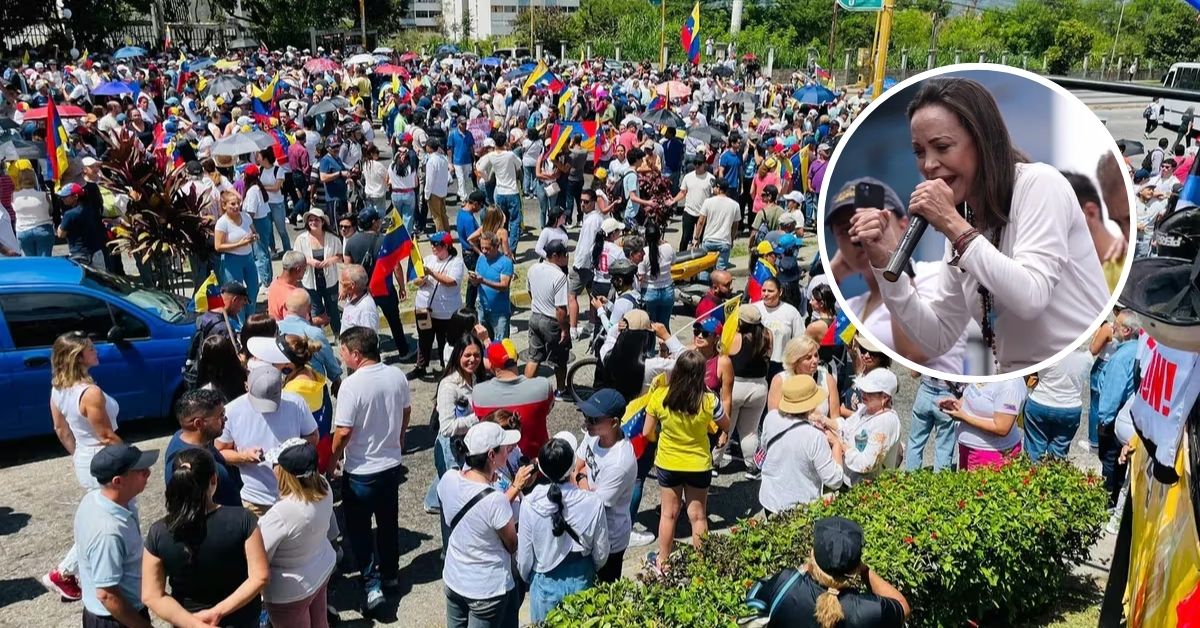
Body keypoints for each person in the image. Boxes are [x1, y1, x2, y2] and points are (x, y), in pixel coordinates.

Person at [849, 77, 1109, 372]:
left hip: (1083, 370)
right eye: (920, 152)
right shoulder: (961, 226)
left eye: (942, 147)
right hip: (1022, 381)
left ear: (982, 142)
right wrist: (886, 266)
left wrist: (951, 223)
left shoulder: (1039, 185)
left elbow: (1032, 296)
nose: (929, 165)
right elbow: (937, 337)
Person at [824, 178, 966, 374]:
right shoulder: (853, 305)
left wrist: (894, 256)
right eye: (845, 230)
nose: (859, 234)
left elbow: (914, 353)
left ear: (904, 225)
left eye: (875, 220)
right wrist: (834, 272)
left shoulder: (935, 275)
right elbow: (828, 351)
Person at [332, 326, 411, 610]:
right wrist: (400, 437)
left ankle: (371, 584)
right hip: (390, 467)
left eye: (342, 351)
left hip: (360, 472)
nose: (341, 356)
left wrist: (332, 459)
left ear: (355, 354)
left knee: (361, 532)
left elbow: (342, 432)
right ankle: (390, 575)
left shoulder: (351, 386)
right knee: (388, 525)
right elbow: (406, 409)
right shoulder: (396, 375)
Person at [142, 448, 268, 628]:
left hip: (187, 619)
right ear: (214, 480)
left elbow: (151, 595)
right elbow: (260, 576)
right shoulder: (243, 519)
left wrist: (194, 624)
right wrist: (217, 612)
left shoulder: (159, 532)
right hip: (241, 618)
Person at [44, 331, 123, 602]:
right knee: (116, 516)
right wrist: (131, 458)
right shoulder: (90, 393)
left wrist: (79, 455)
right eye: (91, 348)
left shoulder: (58, 389)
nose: (96, 350)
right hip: (104, 458)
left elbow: (60, 428)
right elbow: (107, 435)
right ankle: (65, 571)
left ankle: (73, 572)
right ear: (79, 357)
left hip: (85, 457)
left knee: (102, 517)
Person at [643, 350, 731, 573]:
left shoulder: (660, 397)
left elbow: (646, 432)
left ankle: (663, 561)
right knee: (698, 515)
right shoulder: (709, 401)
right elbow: (726, 424)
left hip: (668, 462)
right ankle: (703, 565)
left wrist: (659, 437)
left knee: (668, 514)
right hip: (699, 463)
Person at [745, 517, 909, 627]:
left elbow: (755, 597)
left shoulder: (786, 582)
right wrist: (865, 570)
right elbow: (903, 607)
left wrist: (803, 568)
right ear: (855, 567)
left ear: (812, 554)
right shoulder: (868, 609)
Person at [438, 422, 524, 628]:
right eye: (504, 448)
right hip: (486, 590)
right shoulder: (495, 500)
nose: (508, 451)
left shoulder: (448, 479)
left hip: (454, 578)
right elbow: (512, 545)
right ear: (491, 456)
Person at [518, 434, 610, 622]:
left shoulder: (529, 503)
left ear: (541, 469)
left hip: (545, 584)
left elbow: (525, 559)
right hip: (582, 579)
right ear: (572, 466)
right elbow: (601, 553)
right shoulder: (593, 502)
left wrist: (531, 577)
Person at [216, 366, 318, 517]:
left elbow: (312, 437)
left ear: (282, 386)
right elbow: (219, 452)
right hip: (256, 500)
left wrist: (290, 457)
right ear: (246, 386)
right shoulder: (231, 411)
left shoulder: (296, 403)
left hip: (295, 494)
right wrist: (244, 457)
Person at [74, 444, 157, 628]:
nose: (148, 472)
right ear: (118, 481)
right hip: (117, 618)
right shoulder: (108, 532)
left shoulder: (93, 499)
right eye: (140, 471)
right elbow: (107, 595)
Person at [258, 439, 338, 628]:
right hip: (321, 569)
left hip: (291, 592)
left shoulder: (280, 514)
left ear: (287, 474)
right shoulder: (324, 487)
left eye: (276, 466)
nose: (273, 470)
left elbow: (259, 555)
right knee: (320, 623)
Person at [574, 389, 638, 583]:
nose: (587, 423)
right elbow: (576, 466)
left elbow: (596, 505)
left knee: (605, 594)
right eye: (586, 416)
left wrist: (579, 479)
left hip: (609, 540)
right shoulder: (592, 434)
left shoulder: (620, 462)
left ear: (614, 422)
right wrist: (581, 479)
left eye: (593, 419)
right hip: (587, 531)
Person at [758, 375, 844, 516]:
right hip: (800, 507)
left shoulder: (771, 418)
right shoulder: (815, 436)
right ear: (812, 404)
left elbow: (765, 446)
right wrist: (837, 445)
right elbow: (834, 480)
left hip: (770, 499)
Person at [425, 334, 488, 517]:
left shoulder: (476, 377)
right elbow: (447, 428)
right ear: (458, 355)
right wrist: (478, 418)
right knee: (453, 485)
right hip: (450, 446)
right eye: (467, 355)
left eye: (476, 355)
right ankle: (434, 503)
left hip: (468, 443)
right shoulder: (448, 385)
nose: (472, 360)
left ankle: (432, 501)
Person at [473, 340, 556, 459]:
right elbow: (548, 409)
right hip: (538, 463)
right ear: (517, 358)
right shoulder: (543, 386)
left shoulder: (478, 393)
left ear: (490, 366)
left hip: (498, 468)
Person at [1094, 310, 1141, 509]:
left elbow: (1112, 394)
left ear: (1127, 330)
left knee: (1110, 462)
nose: (1112, 327)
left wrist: (1103, 421)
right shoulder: (1138, 349)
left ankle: (1106, 503)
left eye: (1117, 324)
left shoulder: (1119, 358)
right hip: (1131, 416)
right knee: (1122, 465)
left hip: (1115, 418)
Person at [717, 307, 772, 479]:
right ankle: (752, 466)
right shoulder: (767, 336)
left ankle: (714, 462)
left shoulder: (734, 337)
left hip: (736, 385)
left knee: (726, 426)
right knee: (750, 431)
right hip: (759, 386)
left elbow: (721, 352)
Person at [164, 388, 243, 507]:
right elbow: (187, 510)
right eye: (220, 415)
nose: (225, 419)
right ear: (199, 423)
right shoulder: (186, 462)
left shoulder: (191, 436)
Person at [826, 368, 901, 484]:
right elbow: (846, 427)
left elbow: (866, 464)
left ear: (885, 398)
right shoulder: (865, 408)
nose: (863, 393)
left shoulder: (886, 422)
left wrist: (842, 446)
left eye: (870, 392)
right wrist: (823, 420)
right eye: (863, 389)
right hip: (850, 481)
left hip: (869, 490)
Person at [940, 375, 1027, 471]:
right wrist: (957, 405)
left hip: (991, 454)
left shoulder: (1011, 384)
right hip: (969, 449)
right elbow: (974, 395)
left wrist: (964, 417)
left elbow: (1002, 428)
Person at [1023, 344, 1093, 462]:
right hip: (1069, 408)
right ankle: (1054, 476)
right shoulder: (1086, 358)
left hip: (1040, 402)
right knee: (1058, 455)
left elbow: (1027, 371)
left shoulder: (1045, 353)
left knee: (1033, 452)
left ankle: (1031, 475)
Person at [411, 230, 465, 379]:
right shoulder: (428, 259)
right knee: (424, 340)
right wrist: (421, 280)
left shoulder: (456, 262)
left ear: (446, 246)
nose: (433, 247)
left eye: (436, 244)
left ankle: (445, 367)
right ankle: (421, 366)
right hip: (425, 309)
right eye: (431, 244)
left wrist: (432, 273)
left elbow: (451, 281)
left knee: (445, 342)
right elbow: (416, 280)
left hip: (446, 312)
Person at [526, 240, 571, 392]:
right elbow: (560, 309)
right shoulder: (559, 276)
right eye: (565, 255)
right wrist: (564, 329)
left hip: (535, 317)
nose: (567, 258)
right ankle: (561, 390)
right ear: (555, 256)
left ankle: (524, 390)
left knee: (534, 357)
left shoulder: (533, 268)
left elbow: (530, 291)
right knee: (560, 360)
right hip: (551, 322)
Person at [294, 208, 343, 334]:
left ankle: (337, 334)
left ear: (323, 222)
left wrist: (331, 260)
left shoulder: (333, 238)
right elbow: (296, 258)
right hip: (310, 281)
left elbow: (341, 256)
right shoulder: (301, 239)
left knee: (333, 309)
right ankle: (318, 336)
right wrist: (309, 261)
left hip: (330, 281)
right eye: (310, 220)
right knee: (315, 311)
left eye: (316, 220)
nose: (313, 222)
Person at [278, 290, 343, 383]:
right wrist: (336, 378)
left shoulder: (275, 329)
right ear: (309, 308)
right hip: (312, 383)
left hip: (286, 382)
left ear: (284, 306)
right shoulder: (314, 333)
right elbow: (328, 359)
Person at [768, 336, 840, 420]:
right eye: (808, 358)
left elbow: (835, 417)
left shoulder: (827, 380)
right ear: (795, 361)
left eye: (816, 355)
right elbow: (772, 419)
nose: (815, 361)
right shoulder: (780, 380)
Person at [213, 190, 259, 318]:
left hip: (248, 257)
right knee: (235, 294)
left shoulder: (245, 216)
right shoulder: (222, 223)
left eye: (238, 203)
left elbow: (254, 231)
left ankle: (251, 316)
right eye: (232, 204)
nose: (236, 206)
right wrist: (239, 244)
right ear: (224, 206)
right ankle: (240, 323)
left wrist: (255, 237)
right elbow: (218, 246)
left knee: (253, 289)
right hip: (232, 260)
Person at [902, 374, 959, 473]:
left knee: (915, 442)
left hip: (925, 391)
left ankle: (909, 481)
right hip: (947, 394)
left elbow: (914, 373)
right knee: (944, 446)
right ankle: (939, 483)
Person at [568, 188, 604, 339]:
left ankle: (573, 329)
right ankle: (592, 323)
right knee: (592, 295)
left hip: (583, 265)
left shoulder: (591, 221)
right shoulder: (595, 218)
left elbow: (586, 246)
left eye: (586, 202)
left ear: (594, 203)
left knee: (572, 296)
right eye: (581, 201)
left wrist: (578, 264)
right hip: (591, 265)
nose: (582, 204)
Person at [755, 278, 805, 378]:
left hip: (782, 366)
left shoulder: (791, 312)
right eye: (763, 290)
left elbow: (800, 340)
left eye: (770, 291)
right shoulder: (754, 309)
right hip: (758, 366)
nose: (766, 294)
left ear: (780, 292)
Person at [472, 231, 514, 341]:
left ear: (497, 246)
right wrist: (474, 280)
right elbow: (476, 281)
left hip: (499, 313)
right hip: (482, 309)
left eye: (487, 248)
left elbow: (504, 285)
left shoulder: (505, 263)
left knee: (500, 345)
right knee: (483, 342)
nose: (484, 251)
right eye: (482, 248)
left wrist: (483, 281)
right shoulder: (481, 259)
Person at [691, 180, 740, 274]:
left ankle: (704, 287)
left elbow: (701, 221)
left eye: (714, 187)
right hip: (724, 241)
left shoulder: (708, 202)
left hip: (709, 240)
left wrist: (696, 238)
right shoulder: (735, 205)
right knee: (720, 272)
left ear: (718, 188)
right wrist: (732, 239)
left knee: (705, 269)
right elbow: (735, 226)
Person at [56, 182, 107, 269]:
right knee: (100, 281)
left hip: (79, 255)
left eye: (65, 197)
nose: (62, 199)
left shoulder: (69, 214)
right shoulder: (91, 209)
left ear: (75, 196)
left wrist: (60, 225)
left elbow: (60, 234)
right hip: (96, 252)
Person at [674, 152, 715, 249]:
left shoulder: (711, 178)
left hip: (703, 213)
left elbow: (713, 196)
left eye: (699, 163)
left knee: (701, 238)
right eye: (695, 163)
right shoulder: (688, 177)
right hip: (689, 211)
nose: (696, 166)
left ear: (705, 164)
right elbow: (683, 192)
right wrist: (673, 200)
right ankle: (681, 256)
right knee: (685, 237)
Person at [640, 222, 677, 326]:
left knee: (650, 328)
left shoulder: (643, 253)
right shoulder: (668, 248)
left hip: (649, 292)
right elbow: (674, 261)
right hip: (667, 292)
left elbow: (641, 277)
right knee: (664, 327)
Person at [12, 167, 53, 256]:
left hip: (23, 230)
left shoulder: (14, 196)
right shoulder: (43, 195)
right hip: (43, 229)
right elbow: (50, 211)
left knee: (29, 263)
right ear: (34, 179)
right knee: (44, 263)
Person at [267, 251, 307, 321]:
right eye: (305, 268)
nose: (305, 270)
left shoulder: (274, 283)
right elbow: (293, 325)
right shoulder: (292, 296)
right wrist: (316, 321)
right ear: (298, 269)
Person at [339, 264, 379, 332]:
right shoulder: (351, 297)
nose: (341, 284)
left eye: (343, 282)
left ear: (352, 285)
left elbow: (370, 338)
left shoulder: (366, 309)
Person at [424, 139, 451, 234]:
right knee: (443, 214)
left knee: (436, 216)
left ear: (429, 148)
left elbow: (429, 180)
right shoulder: (443, 158)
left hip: (434, 192)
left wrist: (426, 194)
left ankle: (440, 236)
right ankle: (447, 233)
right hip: (443, 191)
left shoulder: (431, 161)